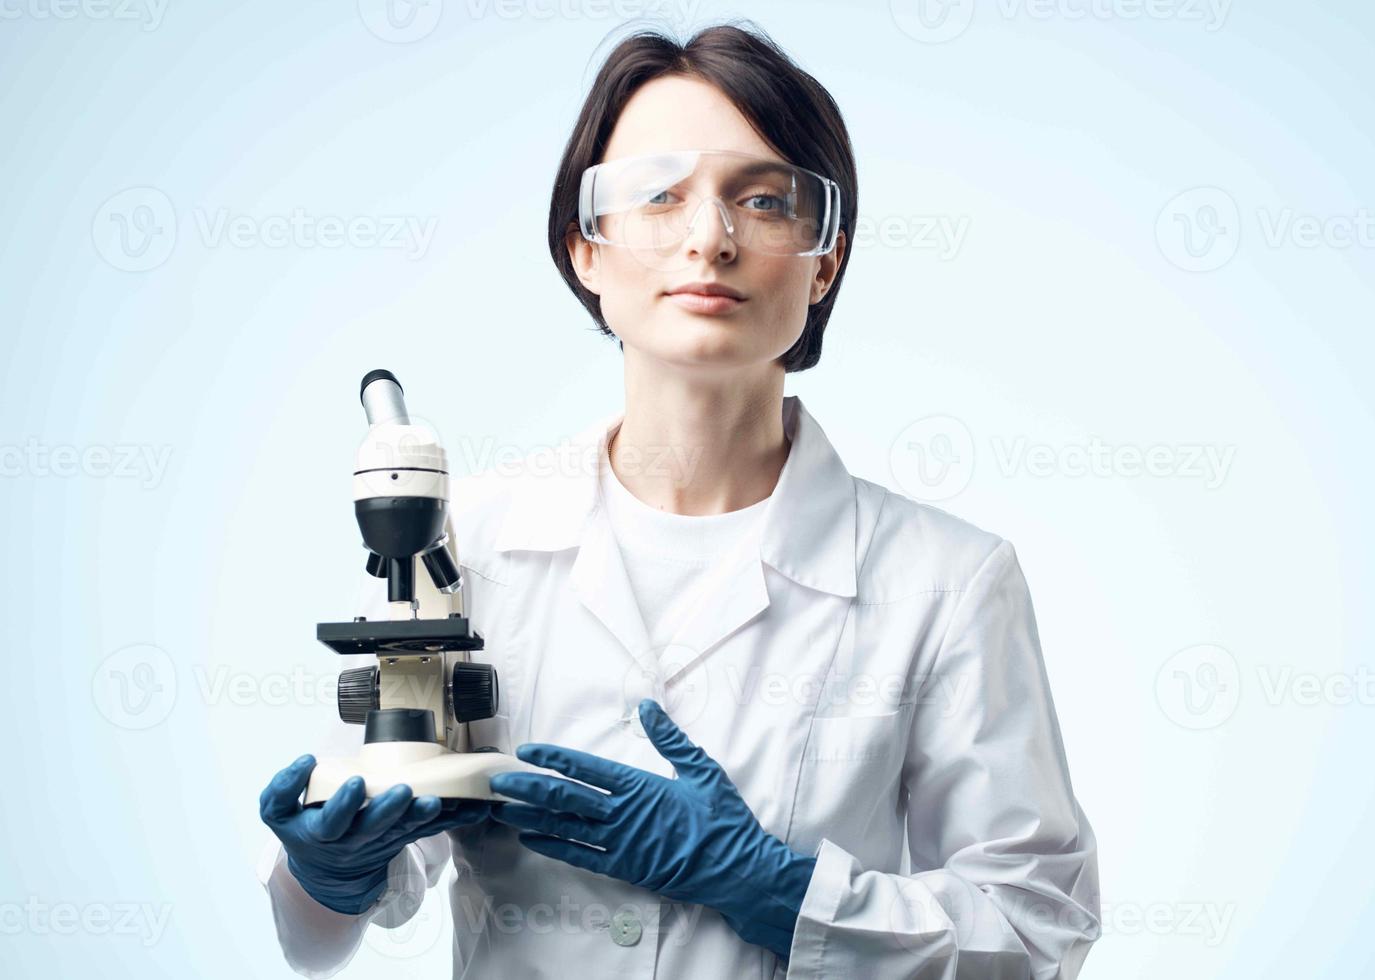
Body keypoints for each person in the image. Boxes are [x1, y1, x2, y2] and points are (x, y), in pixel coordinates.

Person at [257, 21, 1100, 980]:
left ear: (823, 261)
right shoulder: (464, 547)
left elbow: (1035, 932)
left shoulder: (947, 583)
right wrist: (328, 870)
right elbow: (319, 937)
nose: (711, 238)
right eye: (659, 196)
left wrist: (773, 890)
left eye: (765, 199)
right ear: (586, 248)